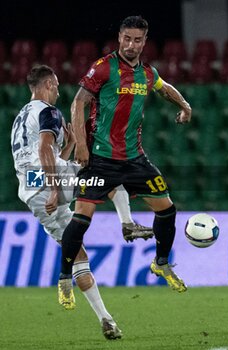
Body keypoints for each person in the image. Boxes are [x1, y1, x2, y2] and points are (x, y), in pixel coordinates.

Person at [58, 15, 192, 308]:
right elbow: (78, 102)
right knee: (80, 219)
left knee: (167, 210)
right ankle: (65, 277)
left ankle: (161, 263)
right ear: (119, 38)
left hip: (134, 159)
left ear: (145, 41)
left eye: (138, 40)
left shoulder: (146, 73)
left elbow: (164, 87)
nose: (131, 45)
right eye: (127, 38)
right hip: (101, 159)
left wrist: (184, 105)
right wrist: (81, 145)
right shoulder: (103, 67)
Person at [11, 64, 152, 340]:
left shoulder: (21, 116)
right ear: (50, 83)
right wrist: (54, 189)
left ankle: (106, 320)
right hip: (44, 181)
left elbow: (51, 153)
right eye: (57, 85)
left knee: (78, 254)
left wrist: (72, 144)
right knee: (111, 178)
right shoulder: (48, 111)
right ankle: (127, 224)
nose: (59, 92)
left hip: (29, 190)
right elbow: (42, 150)